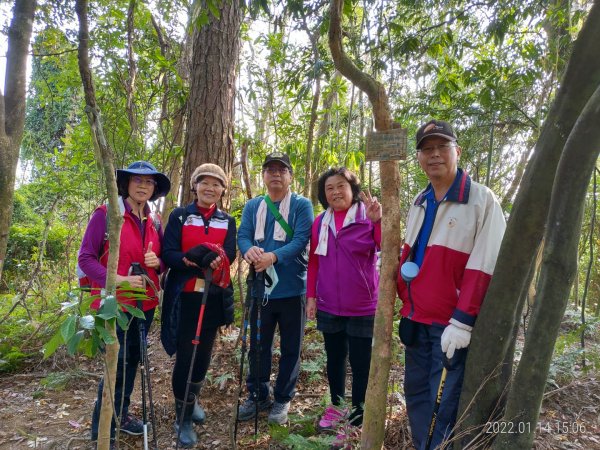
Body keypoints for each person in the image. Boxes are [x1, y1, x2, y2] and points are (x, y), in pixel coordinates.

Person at [396, 119, 506, 449]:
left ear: (457, 151)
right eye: (426, 149)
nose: (434, 155)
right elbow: (411, 253)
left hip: (449, 327)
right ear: (418, 158)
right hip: (415, 318)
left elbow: (484, 265)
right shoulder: (420, 200)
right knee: (415, 395)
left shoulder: (481, 200)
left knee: (441, 407)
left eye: (442, 147)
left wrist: (462, 321)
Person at [79, 161, 170, 446]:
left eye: (149, 182)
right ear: (126, 184)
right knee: (114, 364)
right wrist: (118, 280)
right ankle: (102, 428)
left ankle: (123, 415)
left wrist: (160, 262)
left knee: (133, 362)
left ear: (154, 189)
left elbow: (164, 259)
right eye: (137, 181)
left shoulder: (153, 220)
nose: (143, 186)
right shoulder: (107, 215)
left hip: (145, 304)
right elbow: (85, 259)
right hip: (114, 305)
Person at [160, 163, 236, 448]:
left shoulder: (226, 220)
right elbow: (169, 252)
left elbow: (229, 252)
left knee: (203, 354)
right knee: (186, 355)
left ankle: (191, 402)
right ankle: (182, 417)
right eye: (204, 183)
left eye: (216, 184)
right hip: (185, 297)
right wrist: (192, 260)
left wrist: (215, 259)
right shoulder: (180, 216)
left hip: (213, 297)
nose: (210, 188)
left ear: (222, 190)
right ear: (195, 186)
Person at [237, 151, 313, 425]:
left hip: (293, 290)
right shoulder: (253, 206)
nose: (276, 174)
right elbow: (243, 234)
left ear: (291, 176)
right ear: (264, 176)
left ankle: (282, 399)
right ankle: (257, 394)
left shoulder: (301, 206)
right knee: (258, 346)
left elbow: (302, 239)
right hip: (260, 290)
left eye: (282, 170)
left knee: (291, 347)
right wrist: (249, 252)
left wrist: (273, 255)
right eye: (270, 170)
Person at [306, 168, 382, 434]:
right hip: (329, 303)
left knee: (361, 363)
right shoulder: (320, 222)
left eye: (341, 186)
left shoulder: (367, 216)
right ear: (323, 194)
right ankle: (337, 406)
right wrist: (311, 297)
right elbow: (314, 261)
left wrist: (379, 223)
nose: (336, 192)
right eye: (329, 188)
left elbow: (386, 247)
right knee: (335, 359)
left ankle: (360, 413)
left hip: (362, 304)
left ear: (353, 189)